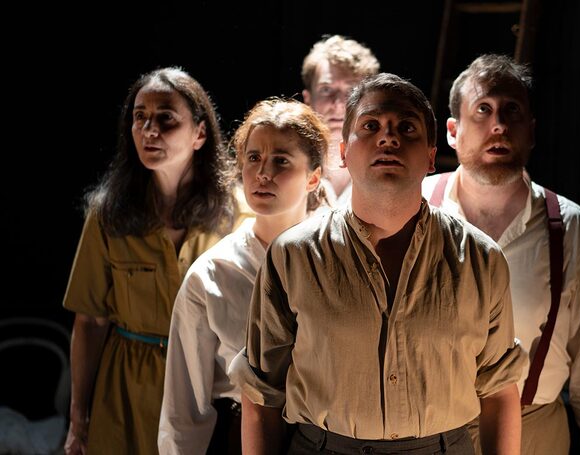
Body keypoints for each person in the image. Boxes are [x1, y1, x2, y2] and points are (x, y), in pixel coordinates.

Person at [232, 73, 524, 454]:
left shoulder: (480, 259)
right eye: (371, 126)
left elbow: (499, 392)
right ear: (344, 152)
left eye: (406, 127)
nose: (389, 138)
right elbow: (259, 395)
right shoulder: (293, 256)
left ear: (432, 156)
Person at [423, 54, 580, 454]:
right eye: (483, 110)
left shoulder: (569, 228)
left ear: (531, 132)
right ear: (453, 130)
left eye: (511, 111)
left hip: (534, 433)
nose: (498, 125)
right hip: (428, 432)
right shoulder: (414, 209)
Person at [63, 67, 236, 455]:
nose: (148, 130)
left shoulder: (234, 213)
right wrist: (78, 419)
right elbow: (89, 321)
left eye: (165, 119)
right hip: (125, 390)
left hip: (204, 387)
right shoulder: (109, 213)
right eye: (139, 117)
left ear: (200, 133)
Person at [158, 98, 328, 454]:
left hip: (323, 436)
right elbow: (184, 402)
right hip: (237, 435)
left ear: (313, 176)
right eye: (253, 158)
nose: (263, 173)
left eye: (281, 160)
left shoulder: (335, 262)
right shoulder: (212, 273)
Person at [301, 34, 380, 206]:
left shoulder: (385, 167)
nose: (338, 104)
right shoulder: (288, 165)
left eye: (351, 90)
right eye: (326, 89)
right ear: (308, 99)